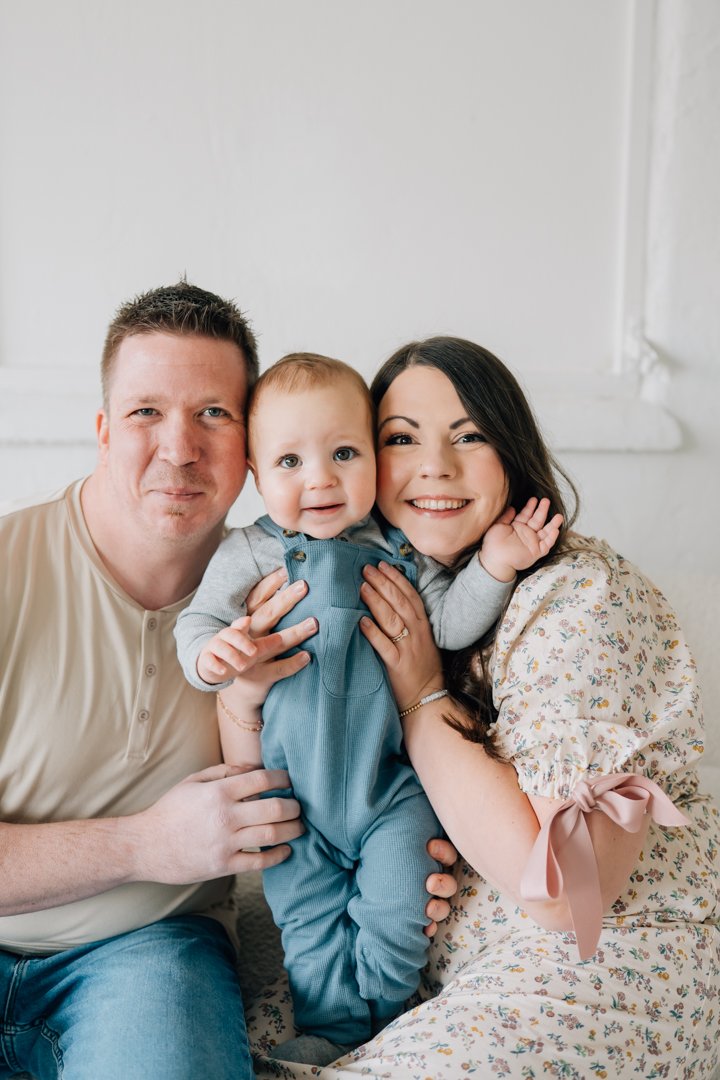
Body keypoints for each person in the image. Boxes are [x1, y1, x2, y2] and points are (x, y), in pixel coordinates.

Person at [0, 285, 458, 1080]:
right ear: (103, 431)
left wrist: (419, 858)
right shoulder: (11, 569)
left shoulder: (300, 578)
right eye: (146, 411)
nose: (179, 448)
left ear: (253, 446)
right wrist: (144, 842)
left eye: (212, 413)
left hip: (147, 954)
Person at [246, 336, 719, 1079]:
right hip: (418, 956)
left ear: (513, 451)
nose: (434, 466)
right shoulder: (389, 580)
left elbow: (570, 891)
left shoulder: (576, 596)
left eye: (470, 435)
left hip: (602, 959)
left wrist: (421, 694)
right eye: (400, 439)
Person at [175, 352, 561, 1066]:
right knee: (308, 922)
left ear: (375, 466)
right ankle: (334, 1027)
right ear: (257, 476)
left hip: (392, 791)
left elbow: (447, 627)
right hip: (296, 802)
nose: (319, 478)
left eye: (345, 453)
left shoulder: (400, 549)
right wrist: (212, 655)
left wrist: (495, 566)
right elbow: (195, 624)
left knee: (400, 906)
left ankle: (385, 1018)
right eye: (289, 461)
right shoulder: (252, 552)